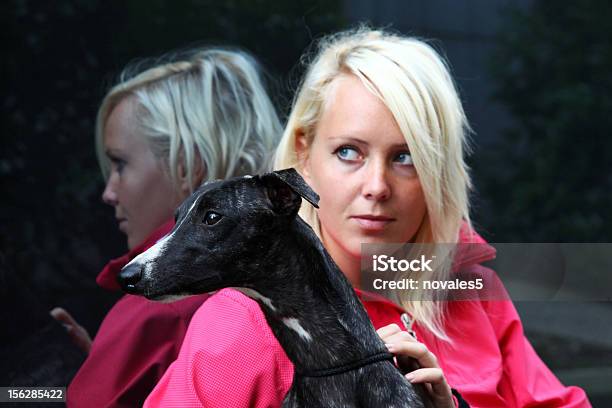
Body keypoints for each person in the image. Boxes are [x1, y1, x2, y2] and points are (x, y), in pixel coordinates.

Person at [143, 28, 592, 407]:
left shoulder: (468, 289)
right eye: (348, 152)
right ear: (303, 153)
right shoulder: (244, 320)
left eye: (406, 157)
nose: (377, 186)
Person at [52, 47, 282, 407]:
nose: (109, 192)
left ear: (189, 163)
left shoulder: (159, 304)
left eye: (120, 164)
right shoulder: (280, 277)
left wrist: (41, 394)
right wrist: (106, 369)